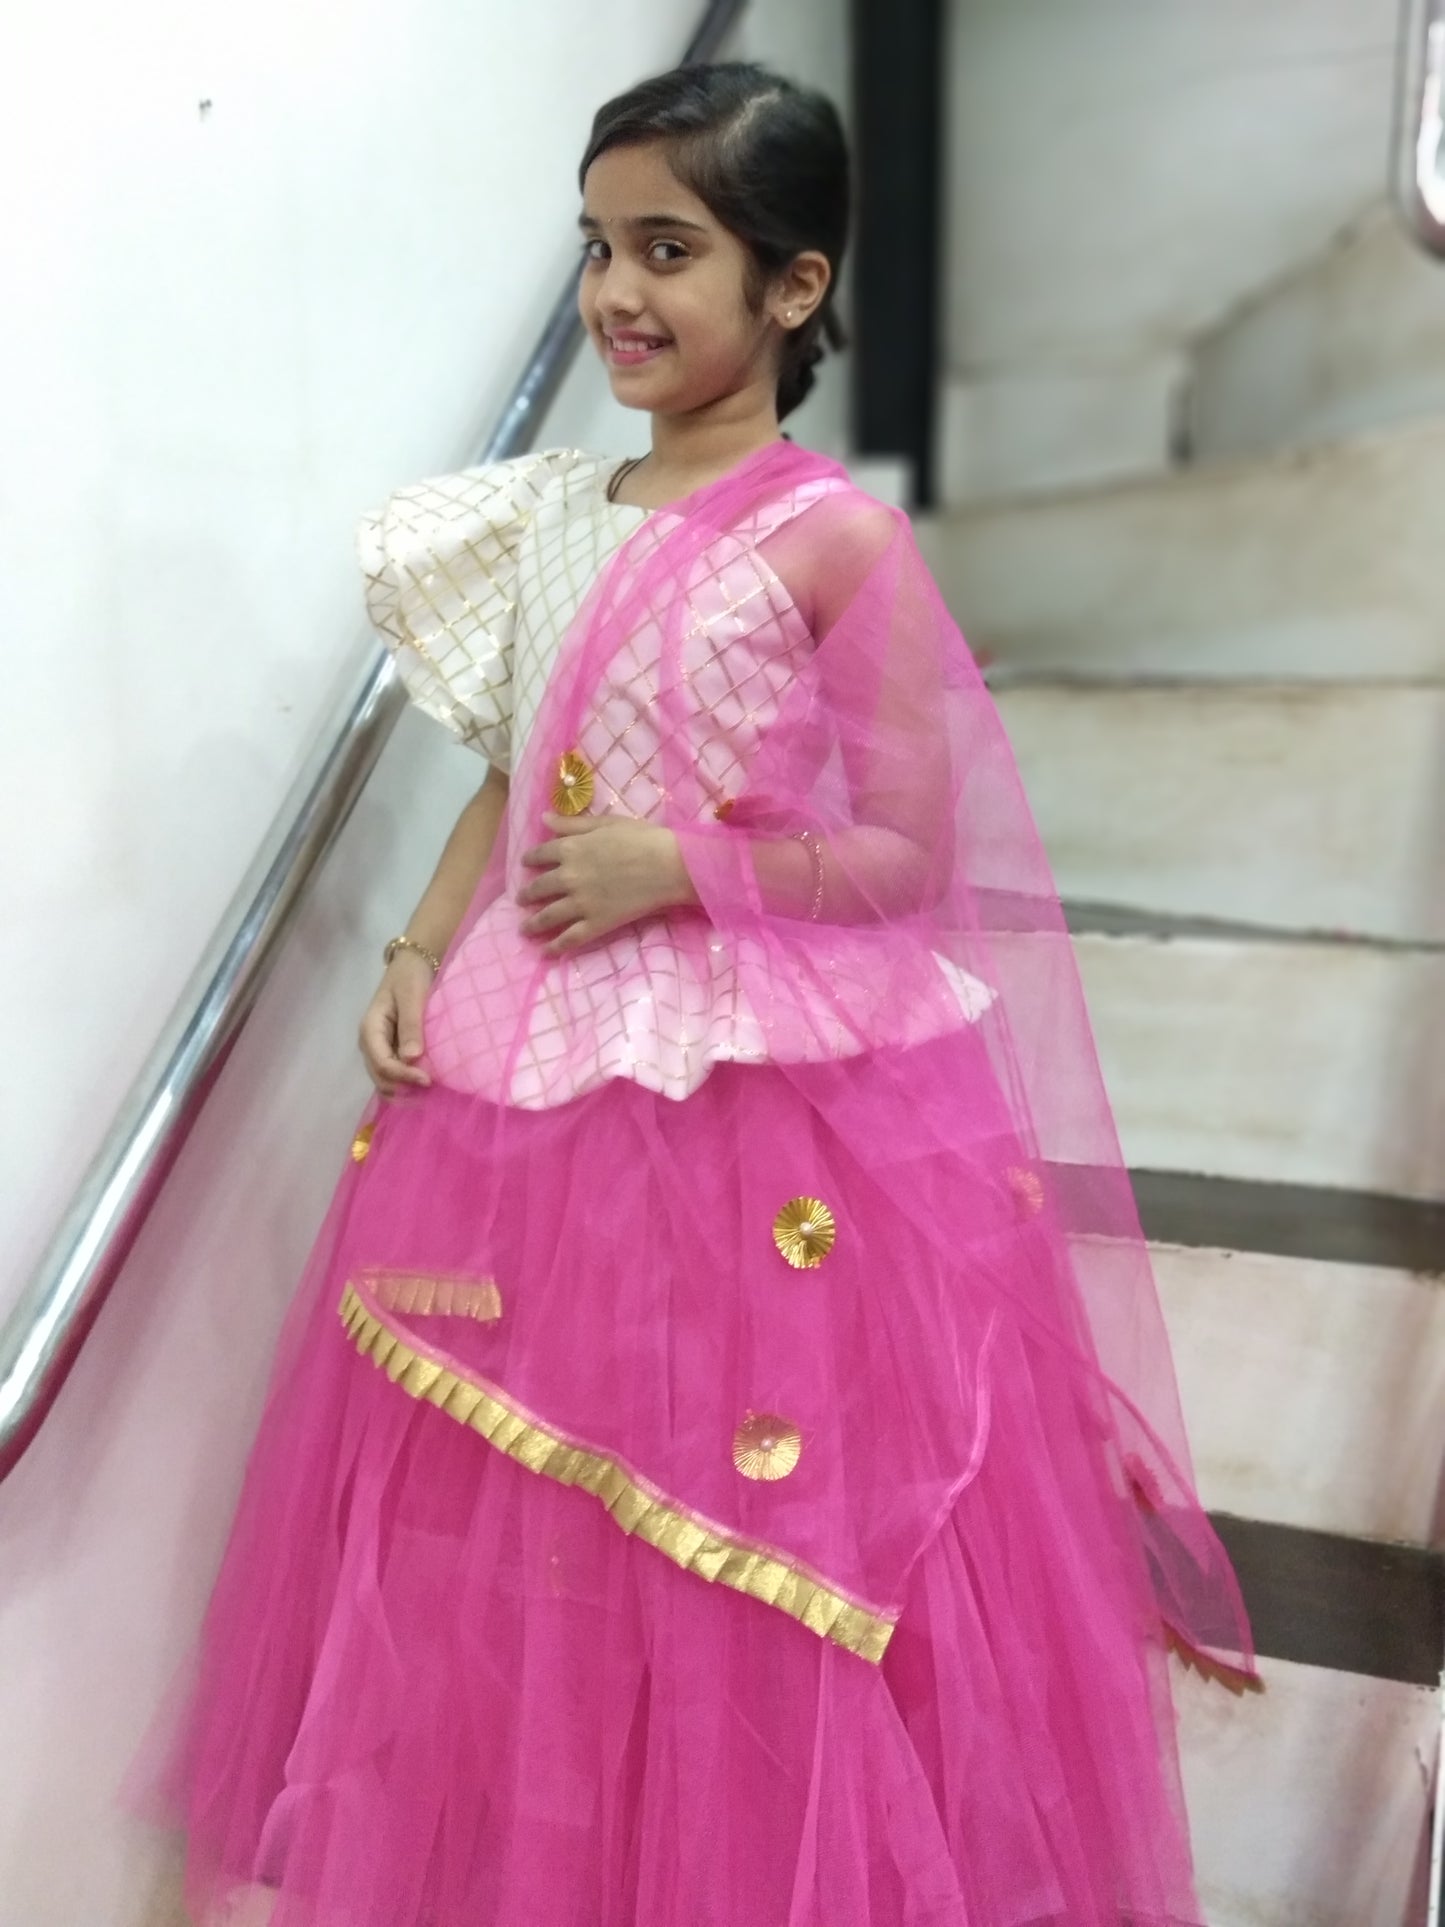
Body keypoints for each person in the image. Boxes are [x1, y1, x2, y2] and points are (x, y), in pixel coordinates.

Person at [145, 60, 1256, 1927]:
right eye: (597, 249)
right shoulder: (549, 514)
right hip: (519, 1077)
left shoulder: (832, 538)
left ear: (791, 286)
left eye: (668, 251)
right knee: (523, 1526)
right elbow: (509, 770)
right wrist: (418, 947)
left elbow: (904, 854)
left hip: (745, 1105)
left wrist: (685, 868)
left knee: (731, 1509)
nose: (615, 295)